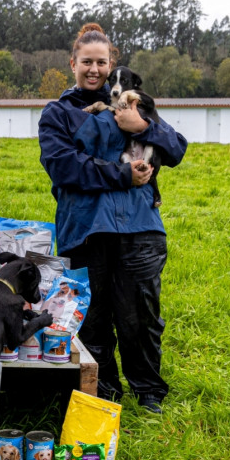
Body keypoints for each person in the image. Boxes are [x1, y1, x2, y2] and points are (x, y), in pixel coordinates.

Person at [38, 23, 188, 413]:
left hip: (139, 229)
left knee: (140, 316)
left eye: (101, 62)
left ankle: (149, 391)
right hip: (84, 229)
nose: (94, 69)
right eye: (86, 62)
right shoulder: (58, 113)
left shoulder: (135, 103)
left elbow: (177, 148)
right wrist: (120, 175)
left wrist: (144, 127)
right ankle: (101, 389)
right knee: (91, 318)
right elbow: (63, 166)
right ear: (72, 64)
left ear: (111, 65)